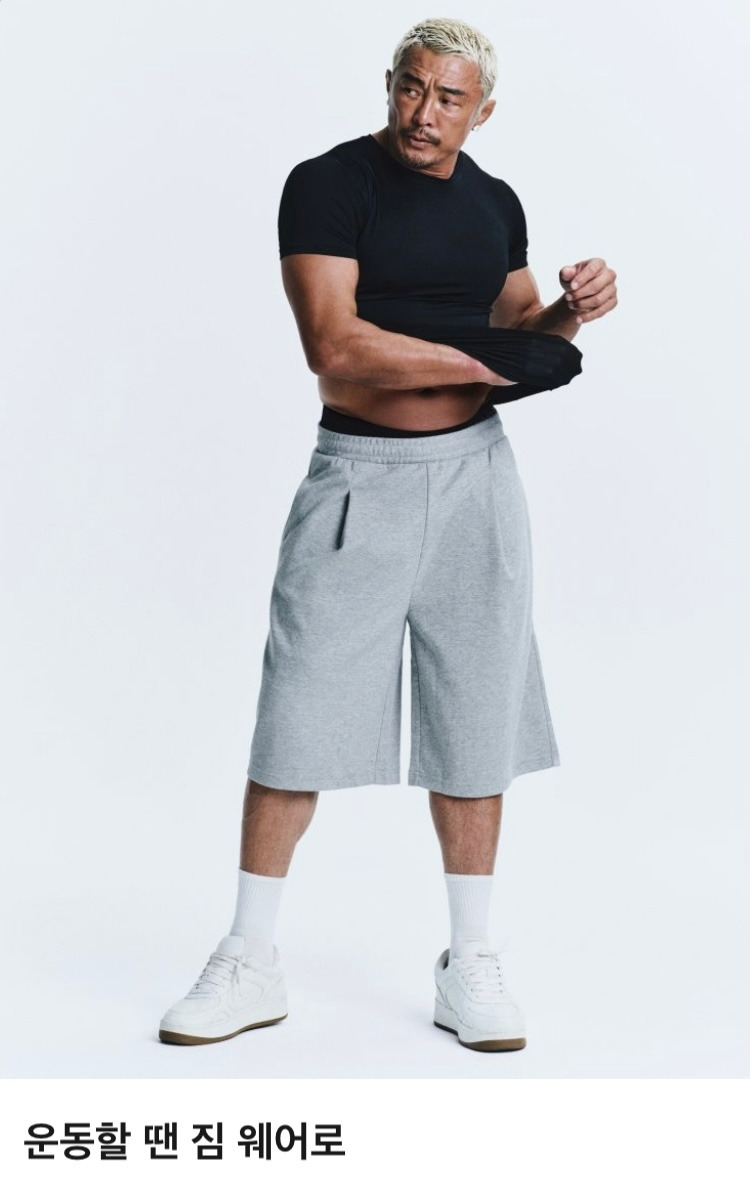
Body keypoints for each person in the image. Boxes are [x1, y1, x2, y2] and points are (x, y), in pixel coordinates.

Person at [158, 17, 617, 1053]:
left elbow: (522, 338)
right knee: (299, 709)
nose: (423, 113)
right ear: (390, 84)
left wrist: (570, 315)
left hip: (477, 480)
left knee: (478, 713)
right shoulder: (328, 184)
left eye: (448, 98)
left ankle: (471, 959)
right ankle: (250, 955)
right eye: (411, 88)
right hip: (358, 477)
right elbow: (336, 343)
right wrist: (486, 361)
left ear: (482, 111)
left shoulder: (496, 202)